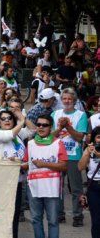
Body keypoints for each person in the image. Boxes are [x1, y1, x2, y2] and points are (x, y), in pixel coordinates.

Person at [25, 114, 68, 238]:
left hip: (52, 188)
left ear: (51, 127)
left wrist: (44, 164)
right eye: (39, 125)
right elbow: (26, 164)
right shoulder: (30, 144)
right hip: (34, 187)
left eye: (45, 125)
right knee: (36, 219)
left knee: (53, 220)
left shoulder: (58, 143)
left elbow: (64, 165)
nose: (41, 127)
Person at [0, 109, 27, 238]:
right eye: (3, 119)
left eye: (9, 118)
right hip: (2, 181)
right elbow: (10, 134)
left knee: (15, 213)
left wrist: (23, 118)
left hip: (17, 181)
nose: (7, 120)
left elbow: (32, 130)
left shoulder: (18, 134)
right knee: (3, 213)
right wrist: (21, 121)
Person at [52, 88, 88, 227]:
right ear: (61, 100)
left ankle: (77, 216)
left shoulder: (81, 115)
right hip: (58, 155)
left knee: (76, 188)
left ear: (74, 101)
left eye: (70, 99)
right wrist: (60, 127)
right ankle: (59, 214)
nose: (67, 101)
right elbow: (51, 136)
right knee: (57, 186)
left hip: (74, 155)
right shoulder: (55, 114)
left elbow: (80, 137)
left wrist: (68, 127)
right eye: (65, 98)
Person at [78, 127, 100, 238]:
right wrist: (87, 152)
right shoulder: (90, 150)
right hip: (94, 187)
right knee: (97, 221)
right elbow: (80, 167)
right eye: (98, 137)